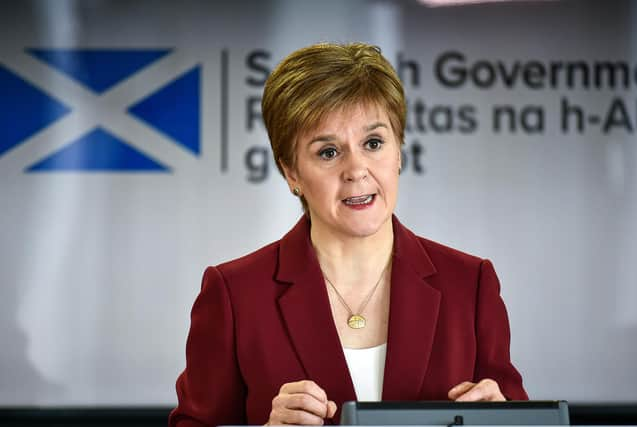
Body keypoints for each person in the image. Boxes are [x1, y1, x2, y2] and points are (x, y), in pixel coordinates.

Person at [169, 42, 527, 427]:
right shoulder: (234, 294)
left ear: (399, 152)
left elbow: (522, 416)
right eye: (328, 152)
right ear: (291, 172)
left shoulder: (470, 284)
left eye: (373, 143)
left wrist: (507, 419)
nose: (357, 169)